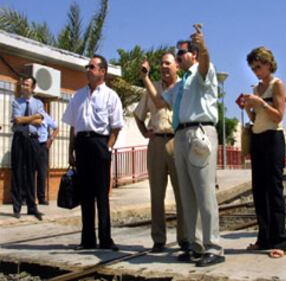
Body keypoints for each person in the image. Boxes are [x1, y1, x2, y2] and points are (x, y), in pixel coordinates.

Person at [142, 25, 225, 267]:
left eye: (182, 53)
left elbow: (206, 62)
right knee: (187, 195)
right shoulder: (180, 84)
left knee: (204, 192)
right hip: (180, 135)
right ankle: (195, 245)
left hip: (199, 132)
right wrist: (146, 78)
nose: (178, 57)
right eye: (177, 54)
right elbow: (158, 102)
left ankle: (214, 247)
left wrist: (204, 45)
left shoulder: (203, 73)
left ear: (195, 54)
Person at [62, 54, 124, 251]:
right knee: (86, 194)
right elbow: (73, 127)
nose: (88, 69)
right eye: (87, 66)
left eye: (92, 66)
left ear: (102, 72)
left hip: (100, 144)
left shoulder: (111, 96)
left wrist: (108, 147)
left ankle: (106, 239)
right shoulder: (78, 96)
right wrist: (71, 151)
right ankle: (87, 240)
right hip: (82, 144)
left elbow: (116, 127)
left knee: (101, 195)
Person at [135, 52, 188, 253]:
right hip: (156, 143)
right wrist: (144, 132)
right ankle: (159, 239)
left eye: (168, 63)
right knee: (156, 194)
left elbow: (162, 103)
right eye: (161, 63)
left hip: (178, 141)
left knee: (182, 193)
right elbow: (139, 115)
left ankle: (185, 239)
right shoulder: (151, 88)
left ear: (177, 67)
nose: (164, 67)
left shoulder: (184, 87)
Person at [241, 47, 286, 258]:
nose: (256, 71)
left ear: (268, 64)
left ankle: (280, 241)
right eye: (253, 68)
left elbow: (278, 116)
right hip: (258, 138)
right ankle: (264, 238)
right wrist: (247, 108)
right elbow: (255, 118)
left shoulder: (277, 85)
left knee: (274, 190)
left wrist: (260, 103)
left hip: (273, 139)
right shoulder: (256, 87)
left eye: (258, 67)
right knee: (259, 191)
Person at [11, 76, 44, 220]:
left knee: (31, 173)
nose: (24, 87)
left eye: (27, 85)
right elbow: (17, 119)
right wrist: (33, 117)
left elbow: (40, 121)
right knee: (17, 172)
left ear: (33, 87)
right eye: (23, 84)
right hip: (19, 139)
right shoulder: (16, 102)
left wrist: (29, 119)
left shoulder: (38, 103)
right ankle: (17, 207)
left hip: (32, 140)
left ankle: (32, 207)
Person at [35, 112, 59, 205]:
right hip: (31, 144)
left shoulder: (46, 116)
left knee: (42, 172)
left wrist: (51, 139)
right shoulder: (29, 114)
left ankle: (41, 198)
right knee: (28, 172)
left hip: (42, 145)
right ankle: (27, 197)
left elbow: (56, 128)